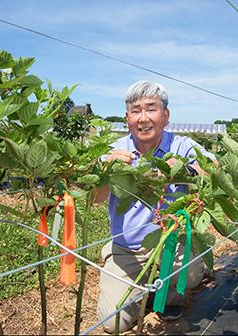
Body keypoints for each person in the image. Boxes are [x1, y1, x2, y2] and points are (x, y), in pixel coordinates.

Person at [95, 80, 215, 334]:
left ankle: (169, 292)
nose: (143, 117)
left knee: (191, 275)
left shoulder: (182, 146)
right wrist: (107, 172)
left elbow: (212, 169)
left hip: (172, 242)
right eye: (136, 110)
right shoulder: (115, 151)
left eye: (151, 108)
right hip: (129, 249)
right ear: (127, 118)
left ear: (166, 116)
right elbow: (95, 198)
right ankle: (116, 259)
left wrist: (184, 169)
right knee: (112, 323)